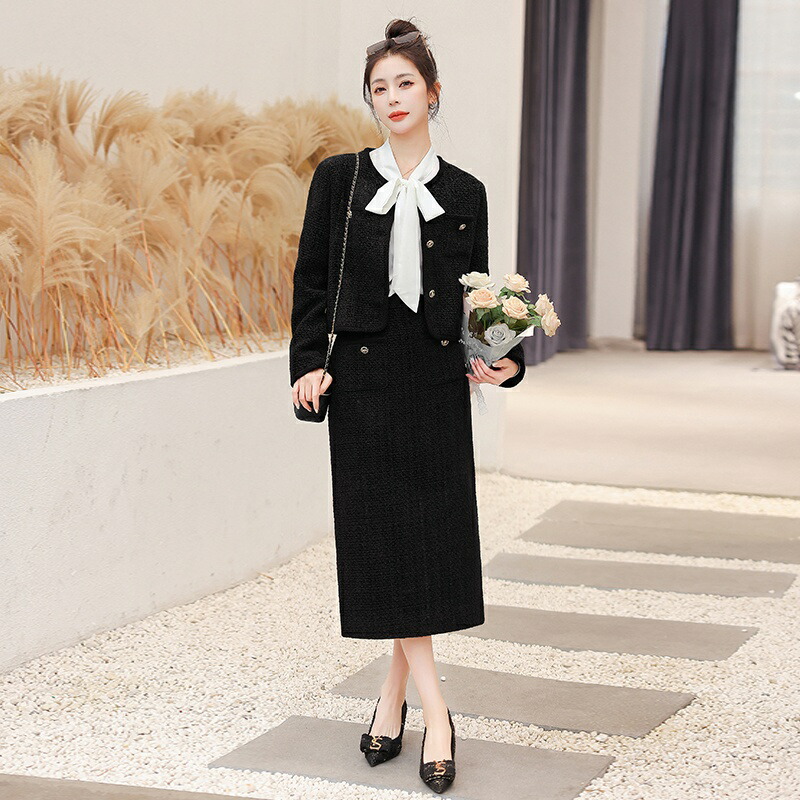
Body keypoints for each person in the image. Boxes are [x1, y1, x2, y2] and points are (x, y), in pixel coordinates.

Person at [289, 18, 526, 794]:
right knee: (383, 540)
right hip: (361, 380)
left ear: (432, 93)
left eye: (405, 84)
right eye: (379, 87)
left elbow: (476, 294)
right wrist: (307, 364)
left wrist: (504, 359)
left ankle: (392, 699)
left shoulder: (465, 193)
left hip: (433, 383)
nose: (392, 98)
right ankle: (437, 712)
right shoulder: (338, 179)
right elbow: (312, 280)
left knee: (424, 542)